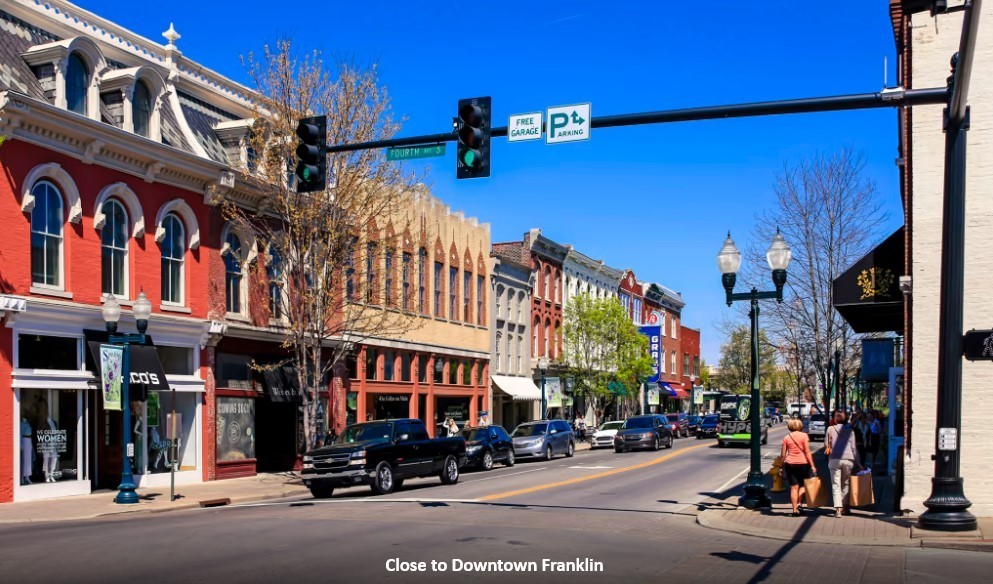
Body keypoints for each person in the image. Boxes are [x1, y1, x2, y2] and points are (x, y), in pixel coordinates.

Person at [826, 411, 861, 518]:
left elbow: (826, 445)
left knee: (836, 485)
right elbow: (854, 448)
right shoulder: (850, 431)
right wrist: (859, 463)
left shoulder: (830, 429)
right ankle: (845, 507)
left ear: (835, 419)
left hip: (834, 459)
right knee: (846, 483)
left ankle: (838, 510)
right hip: (848, 459)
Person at [780, 418, 817, 516]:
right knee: (803, 485)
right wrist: (812, 465)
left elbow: (783, 455)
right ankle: (800, 503)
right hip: (803, 464)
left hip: (790, 464)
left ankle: (795, 510)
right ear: (800, 426)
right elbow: (807, 451)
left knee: (793, 487)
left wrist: (780, 466)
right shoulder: (804, 436)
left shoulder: (786, 438)